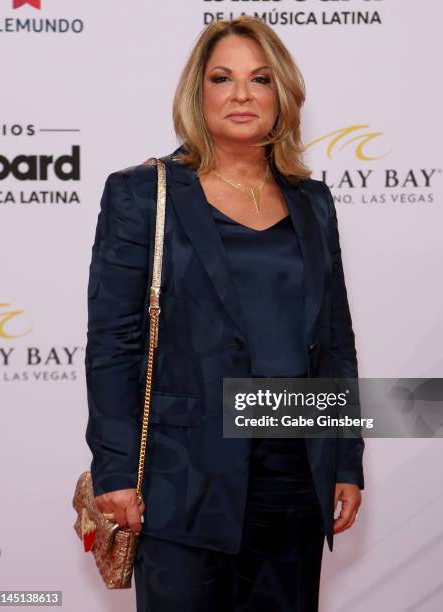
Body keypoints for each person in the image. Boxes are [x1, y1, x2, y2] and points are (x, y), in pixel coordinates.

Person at [84, 15, 365, 612]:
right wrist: (114, 470)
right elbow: (114, 343)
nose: (242, 93)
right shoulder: (142, 193)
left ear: (281, 95)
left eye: (260, 79)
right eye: (223, 77)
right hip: (182, 475)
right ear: (198, 93)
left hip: (295, 469)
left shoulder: (312, 202)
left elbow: (334, 338)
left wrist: (344, 457)